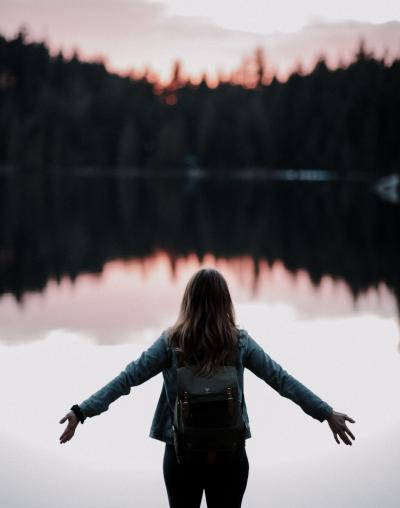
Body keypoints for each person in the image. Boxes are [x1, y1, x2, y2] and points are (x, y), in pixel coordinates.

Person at [59, 267, 356, 508]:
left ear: (188, 301)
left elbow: (127, 380)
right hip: (230, 454)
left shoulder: (170, 343)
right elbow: (281, 380)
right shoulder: (239, 342)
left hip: (181, 456)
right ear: (225, 301)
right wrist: (326, 413)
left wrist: (81, 411)